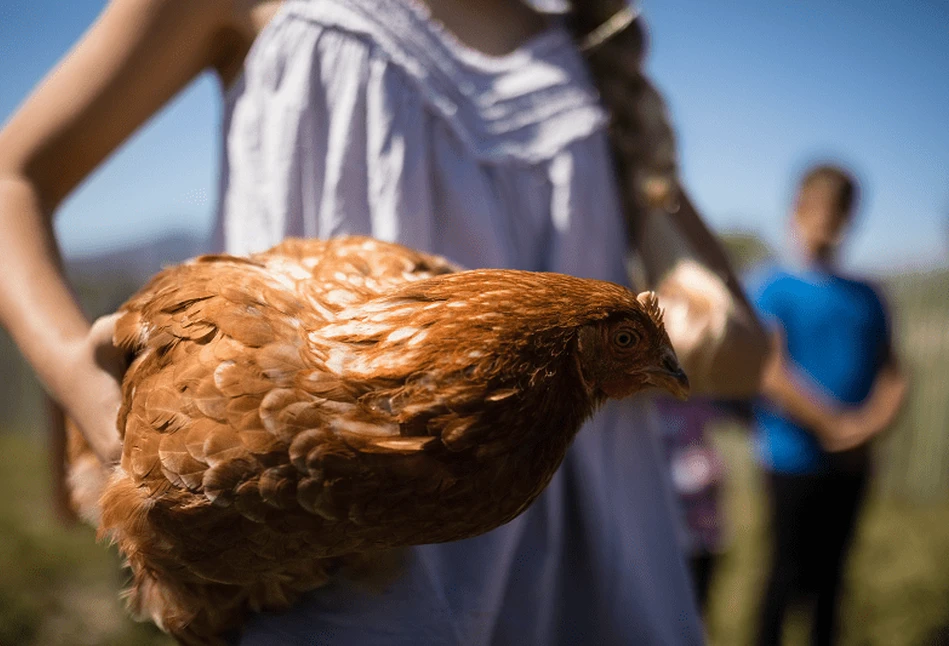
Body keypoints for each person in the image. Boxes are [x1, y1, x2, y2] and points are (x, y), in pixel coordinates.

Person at [0, 1, 768, 643]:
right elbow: (12, 179)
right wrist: (86, 385)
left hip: (590, 539)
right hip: (309, 502)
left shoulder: (588, 56)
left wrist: (711, 327)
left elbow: (747, 353)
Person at [751, 164, 908, 646]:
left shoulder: (868, 294)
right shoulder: (771, 287)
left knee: (833, 580)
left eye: (838, 212)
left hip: (853, 463)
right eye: (817, 210)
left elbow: (893, 373)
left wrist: (868, 426)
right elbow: (771, 371)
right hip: (791, 459)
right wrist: (834, 425)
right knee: (784, 575)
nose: (826, 223)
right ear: (796, 212)